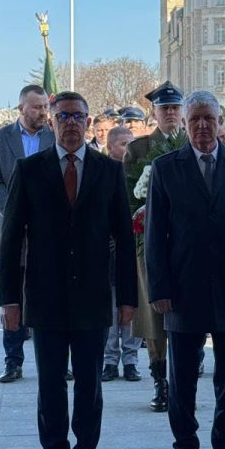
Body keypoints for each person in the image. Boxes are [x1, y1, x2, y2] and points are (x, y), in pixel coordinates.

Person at [0, 91, 137, 449]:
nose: (71, 123)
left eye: (78, 116)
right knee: (50, 385)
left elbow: (124, 239)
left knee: (90, 386)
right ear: (51, 122)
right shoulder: (30, 170)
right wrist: (10, 299)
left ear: (89, 122)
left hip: (93, 297)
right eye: (63, 117)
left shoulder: (108, 171)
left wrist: (128, 299)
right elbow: (11, 239)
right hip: (45, 298)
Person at [144, 89, 225, 449]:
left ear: (220, 123)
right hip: (184, 290)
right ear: (184, 123)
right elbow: (155, 234)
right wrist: (159, 289)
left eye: (208, 119)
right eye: (194, 118)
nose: (201, 125)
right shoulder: (166, 168)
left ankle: (224, 448)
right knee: (182, 378)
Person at [123, 83, 186, 412]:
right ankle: (160, 379)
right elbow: (128, 196)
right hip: (149, 241)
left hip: (188, 245)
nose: (170, 113)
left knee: (188, 313)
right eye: (165, 108)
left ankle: (184, 378)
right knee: (154, 315)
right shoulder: (139, 149)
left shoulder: (193, 143)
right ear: (155, 113)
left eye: (175, 107)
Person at [0, 84, 54, 382]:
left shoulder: (53, 137)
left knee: (49, 296)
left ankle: (54, 360)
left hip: (49, 232)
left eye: (45, 107)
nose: (43, 112)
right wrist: (16, 213)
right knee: (13, 295)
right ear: (21, 108)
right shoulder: (0, 139)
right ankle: (13, 360)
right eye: (37, 107)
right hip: (14, 232)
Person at [102, 125, 141, 381]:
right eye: (123, 144)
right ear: (110, 147)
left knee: (130, 306)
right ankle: (109, 360)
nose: (128, 149)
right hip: (108, 251)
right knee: (110, 310)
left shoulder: (138, 173)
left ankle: (131, 359)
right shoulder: (103, 172)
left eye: (131, 143)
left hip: (132, 250)